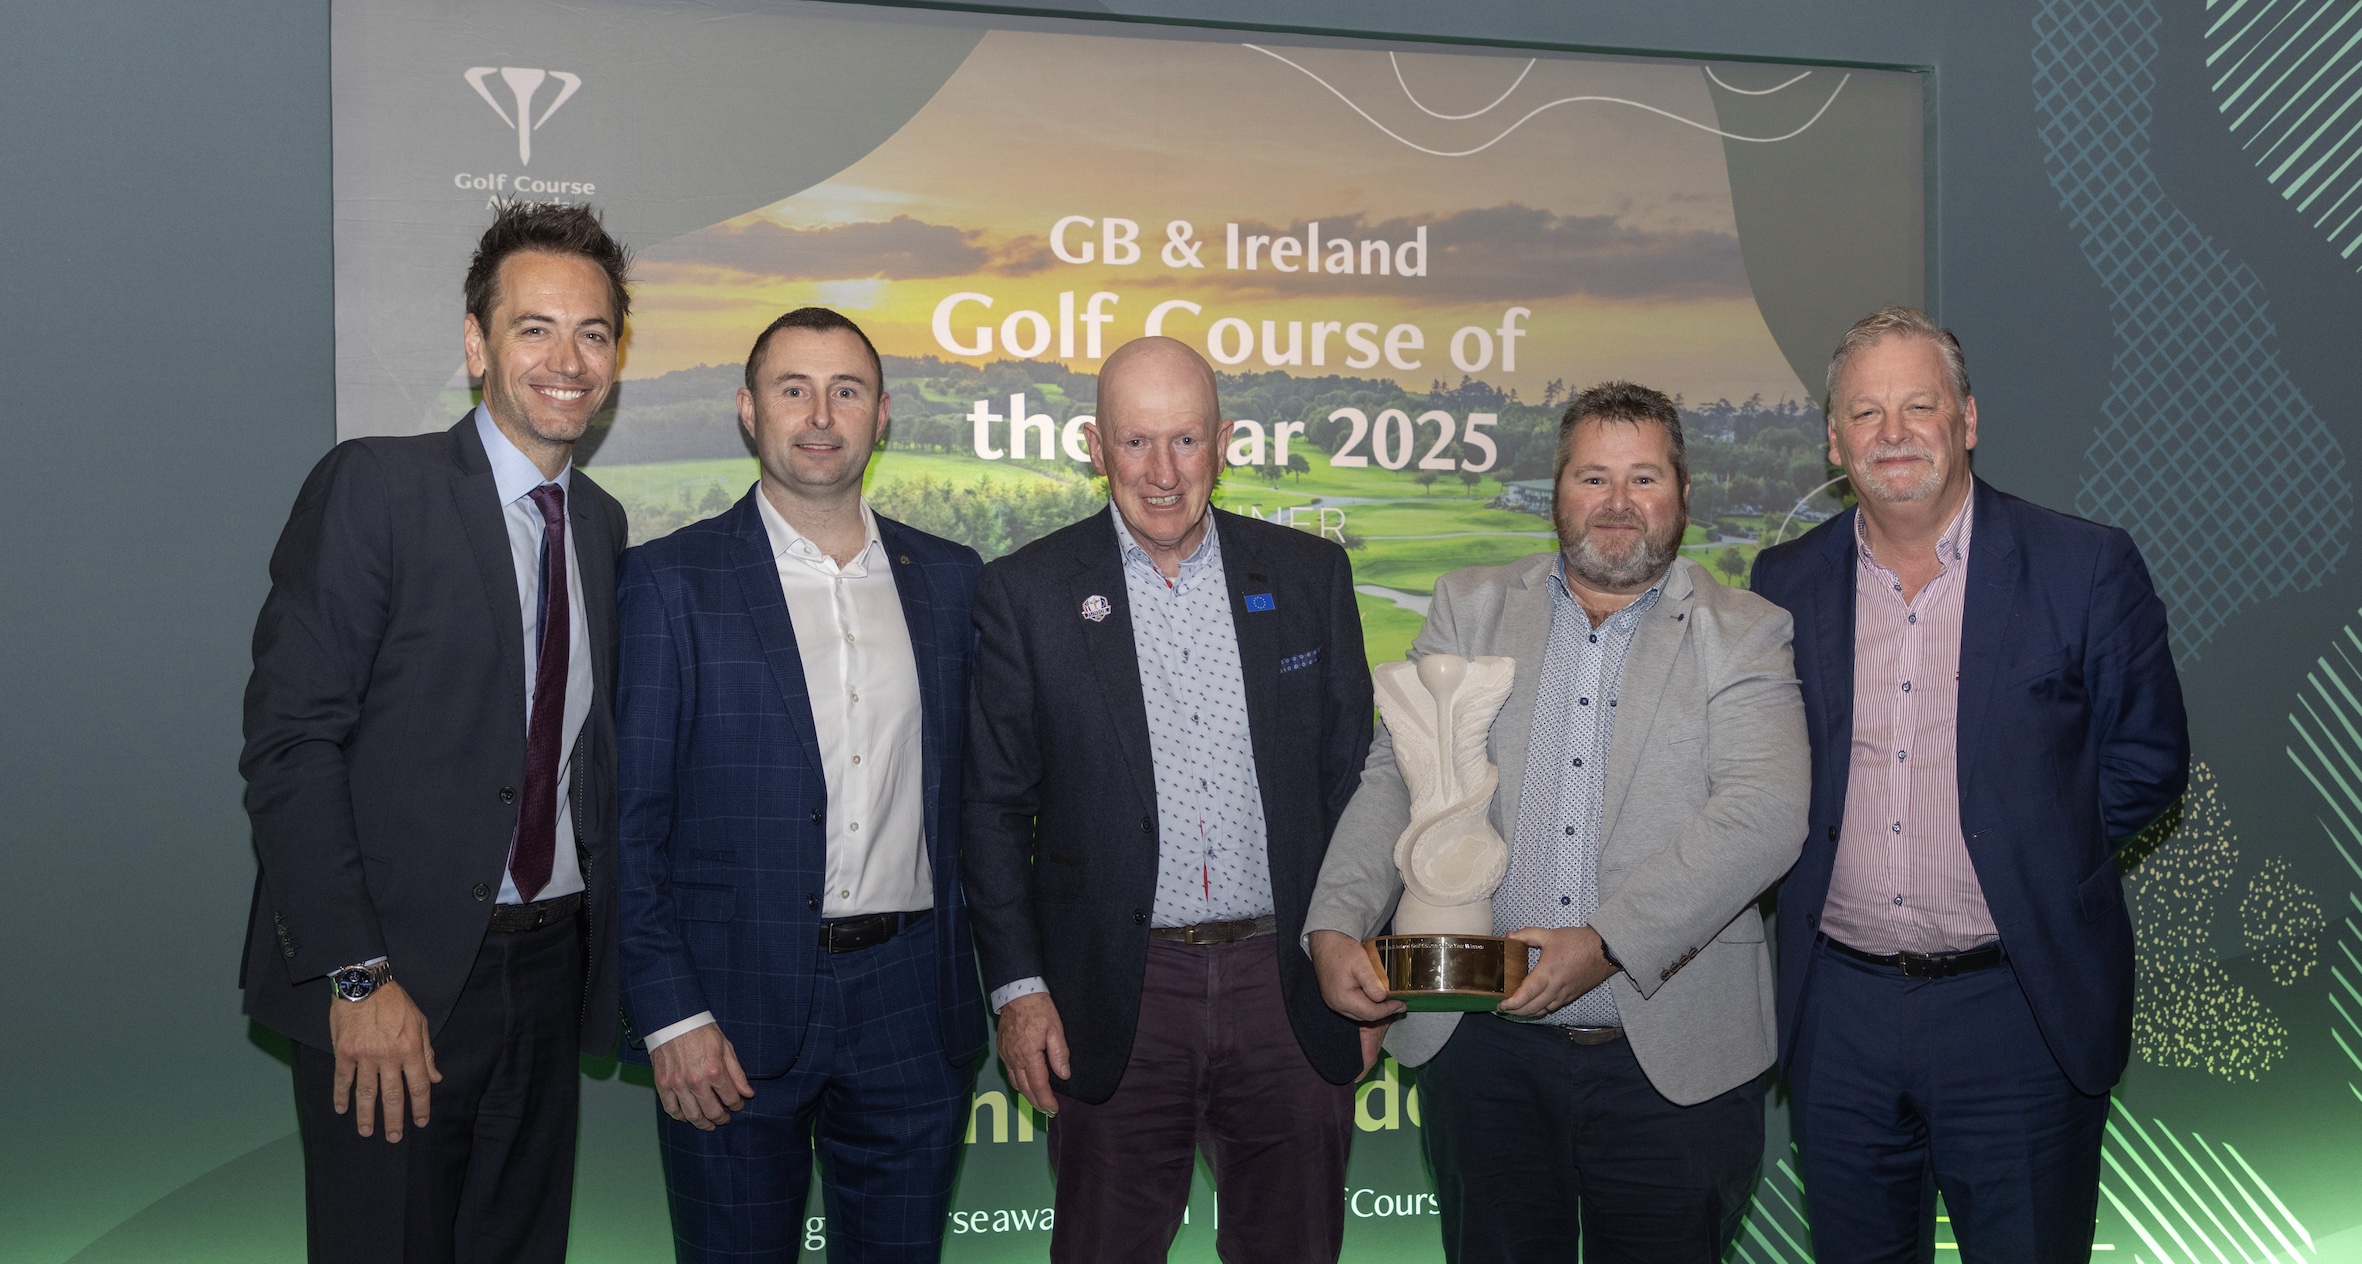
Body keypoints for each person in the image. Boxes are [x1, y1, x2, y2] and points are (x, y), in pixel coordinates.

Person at [1304, 380, 1811, 1264]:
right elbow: (1398, 771)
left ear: (1683, 495)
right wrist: (1336, 921)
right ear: (1556, 494)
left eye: (1644, 478)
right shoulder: (1471, 605)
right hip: (1486, 1059)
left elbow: (1764, 815)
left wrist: (1606, 942)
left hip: (1672, 1064)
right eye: (1592, 478)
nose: (1617, 504)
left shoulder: (1748, 629)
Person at [1751, 307, 2188, 1263]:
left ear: (1968, 420)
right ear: (1833, 438)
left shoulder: (2083, 567)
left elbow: (2147, 763)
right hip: (1841, 1017)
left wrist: (2029, 844)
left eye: (1920, 406)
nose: (1894, 434)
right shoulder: (1782, 582)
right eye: (1866, 414)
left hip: (2017, 1008)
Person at [239, 201, 632, 1263]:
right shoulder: (376, 487)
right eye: (534, 327)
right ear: (477, 343)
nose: (567, 358)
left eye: (593, 332)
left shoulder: (599, 524)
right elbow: (291, 746)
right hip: (396, 981)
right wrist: (355, 978)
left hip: (547, 975)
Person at [963, 336, 1374, 1263]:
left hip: (1292, 984)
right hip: (1113, 994)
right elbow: (990, 809)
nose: (1161, 473)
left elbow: (1358, 784)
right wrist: (1021, 990)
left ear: (1224, 442)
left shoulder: (1310, 580)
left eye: (1184, 441)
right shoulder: (1024, 593)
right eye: (1136, 442)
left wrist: (1364, 964)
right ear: (1095, 446)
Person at [616, 307, 986, 1262]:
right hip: (727, 1011)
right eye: (794, 390)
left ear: (882, 415)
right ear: (749, 411)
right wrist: (670, 1013)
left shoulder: (951, 583)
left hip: (913, 998)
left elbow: (983, 804)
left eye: (847, 391)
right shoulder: (668, 582)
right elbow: (628, 827)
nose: (821, 414)